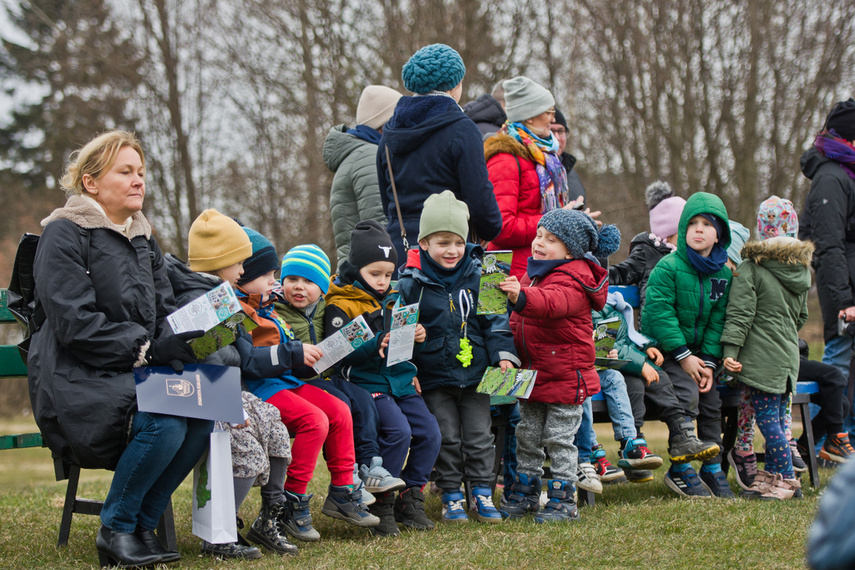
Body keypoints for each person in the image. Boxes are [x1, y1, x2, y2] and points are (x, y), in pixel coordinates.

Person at [27, 131, 210, 567]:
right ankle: (115, 528)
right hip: (75, 378)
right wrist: (147, 349)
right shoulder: (64, 235)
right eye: (125, 172)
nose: (138, 181)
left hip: (130, 372)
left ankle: (144, 525)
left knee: (202, 414)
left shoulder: (143, 238)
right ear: (91, 183)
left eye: (141, 173)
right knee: (164, 420)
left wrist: (189, 336)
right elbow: (75, 323)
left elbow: (164, 311)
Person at [233, 227, 380, 541]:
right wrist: (294, 353)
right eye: (272, 275)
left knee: (340, 409)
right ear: (244, 275)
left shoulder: (266, 306)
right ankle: (291, 502)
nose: (276, 282)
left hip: (284, 381)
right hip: (259, 388)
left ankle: (343, 490)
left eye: (276, 275)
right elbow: (250, 360)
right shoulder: (239, 309)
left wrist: (310, 357)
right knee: (314, 420)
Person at [171, 209, 296, 559]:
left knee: (274, 424)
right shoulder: (195, 300)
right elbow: (203, 357)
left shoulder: (225, 298)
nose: (244, 270)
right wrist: (229, 403)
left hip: (229, 390)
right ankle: (219, 533)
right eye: (239, 262)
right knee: (247, 450)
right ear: (219, 260)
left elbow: (239, 357)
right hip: (204, 395)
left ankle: (269, 519)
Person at [397, 191, 519, 524]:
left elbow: (495, 322)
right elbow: (399, 333)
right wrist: (409, 364)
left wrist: (504, 356)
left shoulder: (484, 274)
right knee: (447, 436)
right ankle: (451, 493)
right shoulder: (410, 283)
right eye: (442, 243)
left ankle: (481, 492)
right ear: (423, 243)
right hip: (434, 376)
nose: (452, 251)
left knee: (481, 436)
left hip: (477, 374)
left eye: (458, 243)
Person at [497, 208, 618, 522]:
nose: (539, 242)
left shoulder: (574, 278)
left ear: (570, 251)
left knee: (559, 439)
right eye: (539, 234)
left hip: (566, 377)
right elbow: (516, 321)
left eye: (550, 239)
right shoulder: (535, 273)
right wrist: (506, 355)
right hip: (534, 376)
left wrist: (521, 296)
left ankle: (564, 497)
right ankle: (526, 490)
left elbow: (551, 303)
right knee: (527, 434)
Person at [324, 220, 442, 536]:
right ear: (357, 267)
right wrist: (375, 343)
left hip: (400, 380)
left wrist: (418, 335)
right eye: (375, 274)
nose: (383, 281)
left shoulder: (395, 297)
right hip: (367, 383)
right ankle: (381, 500)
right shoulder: (341, 302)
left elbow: (402, 344)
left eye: (388, 275)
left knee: (430, 432)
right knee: (398, 432)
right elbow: (337, 351)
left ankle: (410, 495)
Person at [272, 243, 406, 510]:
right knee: (341, 406)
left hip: (327, 376)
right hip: (296, 380)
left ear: (322, 287)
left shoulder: (324, 309)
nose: (299, 287)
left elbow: (341, 342)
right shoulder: (277, 310)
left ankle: (368, 466)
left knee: (361, 399)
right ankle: (349, 478)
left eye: (308, 281)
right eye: (291, 280)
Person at [641, 192, 733, 498]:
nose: (698, 229)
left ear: (719, 232)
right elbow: (658, 313)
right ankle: (681, 469)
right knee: (688, 393)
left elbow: (717, 321)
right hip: (665, 352)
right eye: (692, 223)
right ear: (681, 230)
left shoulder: (722, 274)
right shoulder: (668, 267)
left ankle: (712, 467)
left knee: (712, 403)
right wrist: (684, 356)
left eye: (707, 224)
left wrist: (707, 362)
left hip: (700, 356)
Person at [377, 43, 503, 267]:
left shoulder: (389, 134)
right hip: (450, 254)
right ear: (454, 86)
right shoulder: (462, 130)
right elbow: (479, 198)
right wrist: (490, 228)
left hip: (401, 253)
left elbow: (388, 201)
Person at [721, 196, 812, 500]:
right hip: (788, 357)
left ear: (762, 229)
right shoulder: (800, 271)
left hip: (761, 358)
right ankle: (773, 477)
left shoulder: (752, 267)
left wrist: (730, 352)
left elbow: (739, 315)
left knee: (768, 419)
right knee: (778, 416)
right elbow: (801, 317)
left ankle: (786, 479)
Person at [799, 97, 855, 441]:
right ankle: (818, 441)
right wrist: (844, 301)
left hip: (848, 286)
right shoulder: (831, 179)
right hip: (843, 293)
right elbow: (829, 246)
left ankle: (843, 437)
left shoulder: (846, 173)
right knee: (835, 365)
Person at [484, 76, 575, 279]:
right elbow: (501, 228)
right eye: (549, 112)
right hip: (505, 273)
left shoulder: (543, 157)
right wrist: (555, 218)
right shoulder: (505, 159)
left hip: (533, 267)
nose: (553, 119)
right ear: (530, 116)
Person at [326, 85, 402, 271]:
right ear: (385, 124)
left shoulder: (359, 154)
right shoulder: (369, 156)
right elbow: (380, 224)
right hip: (370, 273)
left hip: (360, 271)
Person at [608, 181, 686, 313]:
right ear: (667, 234)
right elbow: (619, 273)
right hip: (654, 326)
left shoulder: (691, 257)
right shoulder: (648, 254)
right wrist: (590, 274)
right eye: (683, 233)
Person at [550, 108, 586, 202]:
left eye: (561, 131)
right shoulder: (535, 170)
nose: (557, 138)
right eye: (552, 131)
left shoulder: (571, 172)